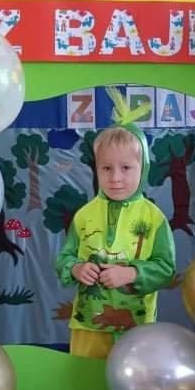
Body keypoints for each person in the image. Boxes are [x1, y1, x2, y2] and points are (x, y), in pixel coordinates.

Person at [56, 122, 176, 359]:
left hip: (136, 328)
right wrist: (76, 268)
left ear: (143, 168)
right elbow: (64, 258)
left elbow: (166, 269)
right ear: (96, 169)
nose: (115, 178)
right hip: (88, 325)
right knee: (84, 377)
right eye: (106, 168)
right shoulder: (84, 215)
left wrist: (132, 274)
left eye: (126, 167)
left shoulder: (154, 219)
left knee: (133, 379)